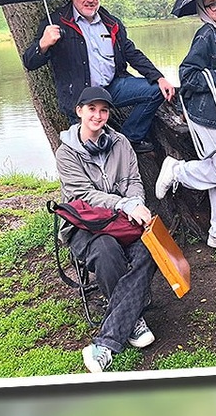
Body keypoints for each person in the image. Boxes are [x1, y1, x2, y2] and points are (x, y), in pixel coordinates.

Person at [55, 86, 158, 373]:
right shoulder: (66, 153)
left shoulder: (121, 142)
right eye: (92, 109)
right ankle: (129, 322)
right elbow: (83, 196)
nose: (98, 116)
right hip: (84, 225)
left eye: (103, 110)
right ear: (79, 111)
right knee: (106, 250)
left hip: (121, 221)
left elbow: (134, 181)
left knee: (149, 248)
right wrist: (124, 204)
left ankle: (110, 336)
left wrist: (136, 203)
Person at [22, 0, 176, 153]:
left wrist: (159, 77)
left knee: (155, 90)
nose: (90, 0)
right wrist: (43, 44)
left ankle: (128, 140)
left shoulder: (110, 21)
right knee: (91, 152)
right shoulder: (56, 22)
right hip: (80, 97)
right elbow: (29, 62)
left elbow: (131, 53)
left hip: (112, 88)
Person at [154, 0, 216, 254]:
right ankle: (177, 171)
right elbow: (187, 75)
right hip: (208, 115)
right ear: (202, 9)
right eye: (212, 4)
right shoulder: (206, 35)